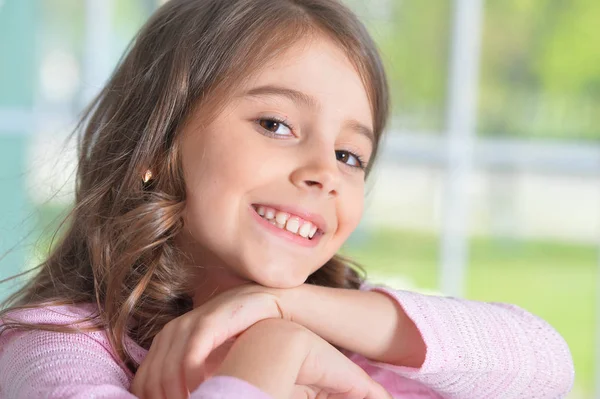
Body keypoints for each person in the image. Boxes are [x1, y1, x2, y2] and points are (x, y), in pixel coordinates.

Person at [0, 0, 574, 398]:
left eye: (350, 156)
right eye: (276, 124)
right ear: (157, 143)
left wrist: (287, 312)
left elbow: (548, 365)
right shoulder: (54, 344)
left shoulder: (349, 321)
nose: (325, 172)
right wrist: (272, 356)